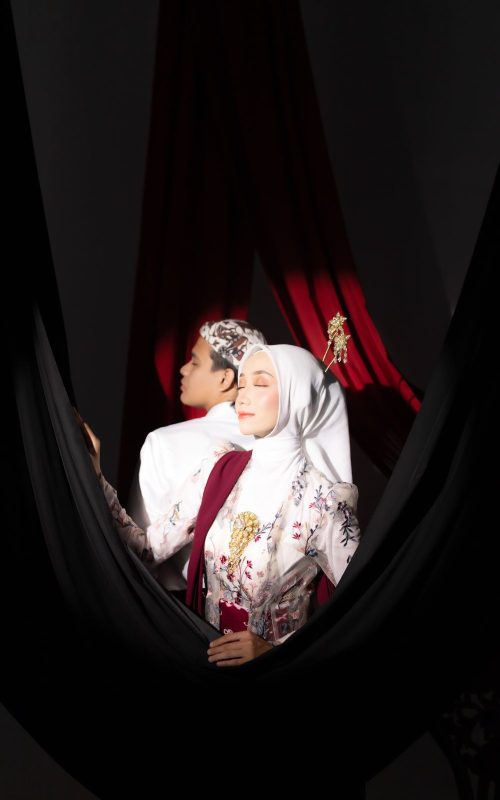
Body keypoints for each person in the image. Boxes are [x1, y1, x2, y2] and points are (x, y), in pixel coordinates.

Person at [85, 342, 360, 666]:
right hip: (204, 665)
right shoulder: (220, 467)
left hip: (275, 680)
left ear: (296, 395)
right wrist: (93, 475)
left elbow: (360, 611)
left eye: (260, 384)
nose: (243, 396)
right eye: (242, 385)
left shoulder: (324, 502)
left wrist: (278, 653)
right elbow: (146, 550)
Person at [128, 319, 268, 592]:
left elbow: (140, 551)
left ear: (225, 378)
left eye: (194, 362)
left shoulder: (164, 442)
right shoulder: (275, 444)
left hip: (176, 605)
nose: (183, 369)